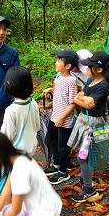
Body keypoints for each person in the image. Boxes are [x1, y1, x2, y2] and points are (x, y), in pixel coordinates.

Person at [67, 51, 109, 202]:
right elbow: (79, 99)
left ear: (99, 69)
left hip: (92, 125)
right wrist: (81, 99)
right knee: (81, 153)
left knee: (83, 157)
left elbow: (90, 104)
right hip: (84, 121)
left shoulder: (103, 85)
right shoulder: (90, 80)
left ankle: (89, 189)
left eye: (89, 67)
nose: (86, 70)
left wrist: (82, 99)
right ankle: (85, 179)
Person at [0, 129, 62, 216]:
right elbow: (7, 189)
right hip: (49, 202)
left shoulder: (19, 171)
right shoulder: (20, 156)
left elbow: (15, 210)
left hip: (45, 211)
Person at [42, 49, 79, 184]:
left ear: (68, 66)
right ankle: (57, 165)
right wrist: (51, 90)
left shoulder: (72, 81)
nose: (56, 62)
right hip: (54, 116)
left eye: (59, 61)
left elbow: (72, 103)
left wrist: (62, 117)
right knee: (54, 142)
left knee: (63, 146)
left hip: (64, 120)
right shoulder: (58, 77)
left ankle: (63, 172)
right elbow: (58, 91)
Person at [1, 66, 40, 156]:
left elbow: (7, 135)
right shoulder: (33, 102)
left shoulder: (11, 110)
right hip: (31, 146)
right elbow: (37, 126)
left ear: (10, 85)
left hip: (17, 151)